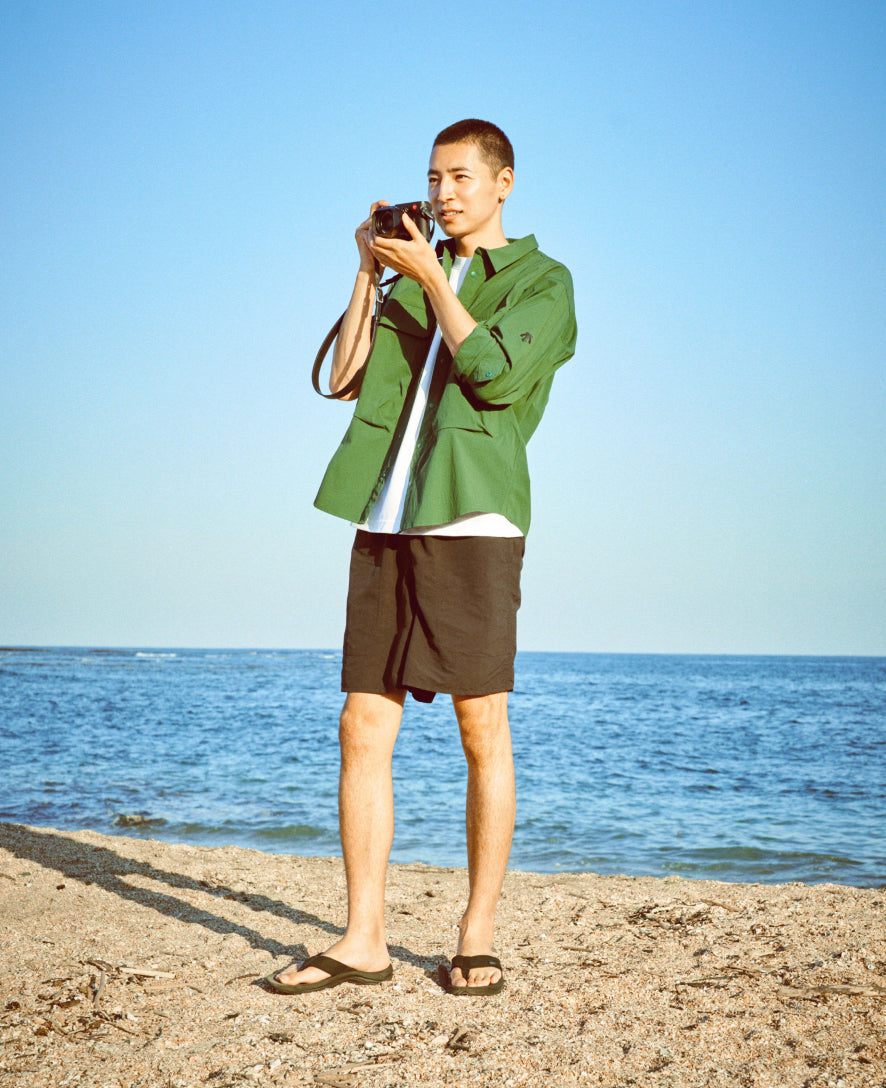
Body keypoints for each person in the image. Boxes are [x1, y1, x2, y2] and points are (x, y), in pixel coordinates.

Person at [267, 119, 576, 997]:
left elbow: (496, 376)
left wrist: (437, 280)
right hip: (385, 519)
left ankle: (477, 932)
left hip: (472, 520)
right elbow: (342, 379)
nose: (443, 193)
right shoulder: (406, 273)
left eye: (461, 177)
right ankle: (363, 938)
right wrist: (369, 272)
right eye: (434, 178)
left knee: (482, 726)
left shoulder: (543, 281)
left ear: (503, 182)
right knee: (361, 725)